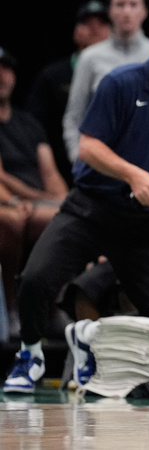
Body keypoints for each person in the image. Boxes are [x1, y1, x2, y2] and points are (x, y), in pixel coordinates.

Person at [3, 9, 149, 394]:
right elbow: (88, 147)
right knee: (36, 279)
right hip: (91, 208)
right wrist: (132, 173)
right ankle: (30, 356)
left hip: (141, 224)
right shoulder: (121, 84)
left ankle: (109, 358)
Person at [0, 47, 68, 324]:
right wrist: (17, 201)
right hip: (9, 200)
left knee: (71, 218)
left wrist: (65, 200)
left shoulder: (29, 123)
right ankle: (11, 305)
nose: (1, 76)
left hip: (35, 202)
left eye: (6, 69)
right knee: (14, 221)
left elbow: (50, 172)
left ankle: (55, 304)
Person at [63, 0, 149, 162]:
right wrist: (78, 158)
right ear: (110, 11)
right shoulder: (90, 57)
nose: (126, 12)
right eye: (120, 5)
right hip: (101, 162)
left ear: (144, 11)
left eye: (133, 5)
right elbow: (74, 116)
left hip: (147, 162)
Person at [26, 0, 110, 183]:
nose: (95, 30)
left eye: (102, 24)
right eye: (87, 24)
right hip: (61, 166)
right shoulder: (52, 75)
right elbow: (35, 126)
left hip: (110, 164)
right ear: (75, 32)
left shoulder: (122, 74)